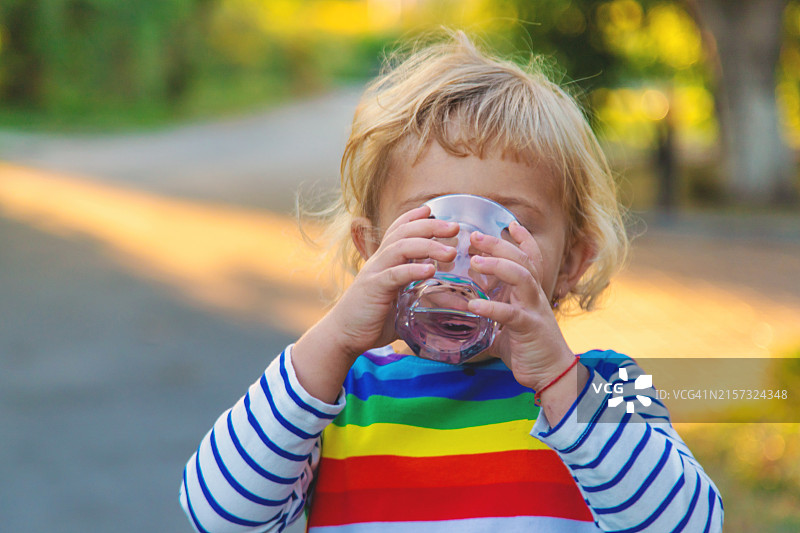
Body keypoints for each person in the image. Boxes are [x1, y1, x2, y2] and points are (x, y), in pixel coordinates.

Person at [180, 31, 723, 533]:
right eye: (431, 221)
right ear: (371, 250)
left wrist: (560, 382)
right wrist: (334, 340)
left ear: (571, 262)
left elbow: (691, 523)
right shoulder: (338, 398)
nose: (465, 252)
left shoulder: (609, 387)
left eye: (507, 225)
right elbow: (218, 514)